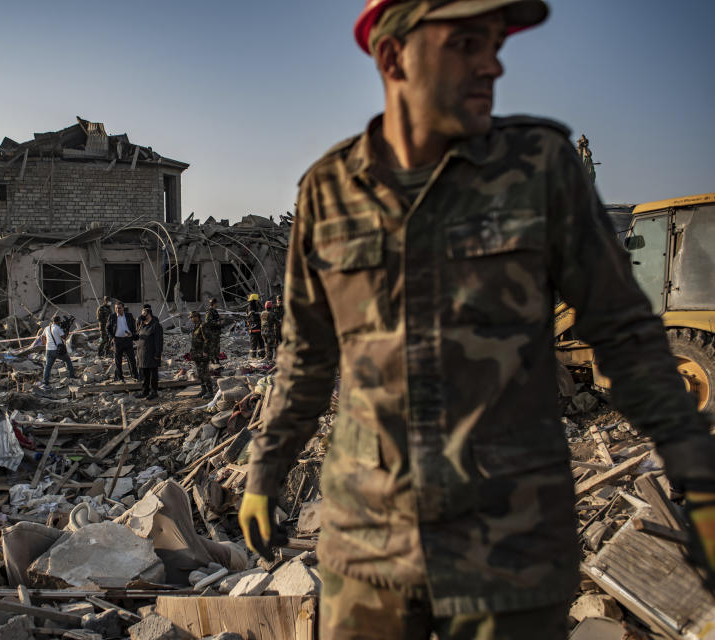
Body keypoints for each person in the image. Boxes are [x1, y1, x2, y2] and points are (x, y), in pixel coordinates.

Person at [238, 2, 715, 638]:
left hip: (509, 546)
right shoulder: (328, 190)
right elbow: (305, 355)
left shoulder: (541, 170)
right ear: (391, 56)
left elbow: (625, 332)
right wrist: (265, 472)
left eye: (494, 43)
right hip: (368, 543)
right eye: (465, 43)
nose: (492, 64)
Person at [134, 304, 163, 399]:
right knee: (144, 374)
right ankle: (145, 391)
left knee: (152, 374)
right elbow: (138, 336)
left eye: (144, 313)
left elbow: (159, 341)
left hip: (152, 353)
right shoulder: (142, 325)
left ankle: (154, 392)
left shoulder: (156, 326)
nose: (142, 315)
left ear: (149, 314)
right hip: (142, 353)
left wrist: (158, 353)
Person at [37, 315, 75, 387]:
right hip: (57, 350)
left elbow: (42, 337)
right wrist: (67, 330)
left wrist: (46, 344)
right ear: (58, 321)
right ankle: (72, 376)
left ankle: (45, 381)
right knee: (67, 360)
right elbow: (64, 337)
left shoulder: (47, 328)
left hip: (48, 350)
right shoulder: (57, 328)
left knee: (48, 366)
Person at [107, 302, 139, 382]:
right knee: (118, 361)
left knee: (131, 359)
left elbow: (133, 326)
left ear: (123, 308)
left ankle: (135, 375)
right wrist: (112, 338)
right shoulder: (112, 316)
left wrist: (132, 334)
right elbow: (107, 328)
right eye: (116, 308)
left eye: (119, 308)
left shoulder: (128, 315)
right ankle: (120, 377)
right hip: (117, 340)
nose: (118, 310)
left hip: (127, 340)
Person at [189, 311, 214, 398]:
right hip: (197, 354)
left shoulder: (203, 326)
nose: (191, 319)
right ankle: (203, 390)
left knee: (205, 373)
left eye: (192, 317)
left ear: (197, 317)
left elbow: (208, 339)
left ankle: (210, 391)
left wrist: (205, 351)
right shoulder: (195, 327)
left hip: (203, 354)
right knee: (200, 373)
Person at [204, 297, 223, 364]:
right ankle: (212, 361)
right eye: (217, 303)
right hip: (212, 333)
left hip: (216, 333)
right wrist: (217, 322)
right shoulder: (209, 311)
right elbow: (207, 322)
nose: (217, 304)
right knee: (212, 347)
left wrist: (220, 319)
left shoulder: (215, 311)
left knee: (217, 347)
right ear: (214, 303)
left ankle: (217, 360)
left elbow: (216, 320)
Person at [245, 294, 263, 359]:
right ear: (254, 301)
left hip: (258, 328)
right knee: (253, 344)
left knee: (260, 343)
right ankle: (253, 357)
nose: (257, 302)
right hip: (253, 328)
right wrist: (259, 318)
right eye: (256, 301)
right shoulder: (250, 307)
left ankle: (262, 355)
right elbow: (252, 318)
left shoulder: (256, 307)